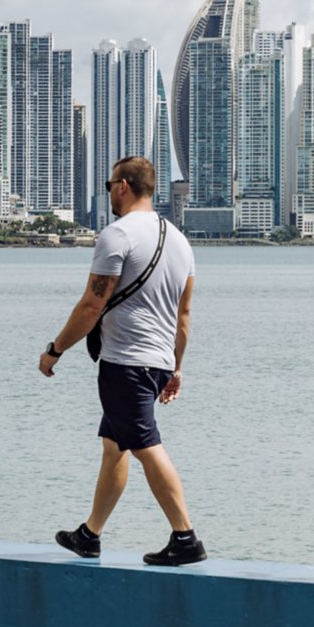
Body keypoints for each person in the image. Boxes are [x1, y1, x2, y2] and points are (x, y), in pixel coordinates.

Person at [38, 155, 204, 566]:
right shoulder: (180, 241)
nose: (109, 190)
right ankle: (90, 534)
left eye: (110, 183)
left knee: (146, 445)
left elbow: (93, 303)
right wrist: (176, 368)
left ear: (124, 186)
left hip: (126, 363)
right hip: (158, 361)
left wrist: (55, 349)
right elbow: (183, 317)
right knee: (114, 446)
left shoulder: (117, 235)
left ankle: (186, 538)